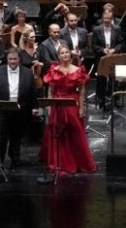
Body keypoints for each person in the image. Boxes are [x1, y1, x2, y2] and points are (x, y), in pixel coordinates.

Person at [40, 45, 97, 174]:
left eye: (66, 52)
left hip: (72, 103)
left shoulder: (77, 70)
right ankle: (59, 162)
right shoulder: (54, 70)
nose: (65, 55)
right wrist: (49, 107)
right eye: (62, 53)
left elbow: (82, 91)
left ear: (70, 55)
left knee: (74, 132)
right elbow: (50, 90)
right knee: (58, 133)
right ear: (58, 56)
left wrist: (81, 108)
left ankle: (78, 161)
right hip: (57, 104)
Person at [0, 48, 38, 168]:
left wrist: (35, 107)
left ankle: (15, 159)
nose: (12, 61)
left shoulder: (28, 72)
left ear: (19, 59)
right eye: (10, 59)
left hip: (21, 108)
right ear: (7, 59)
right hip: (3, 108)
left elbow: (33, 92)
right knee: (1, 136)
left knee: (17, 135)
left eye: (15, 59)